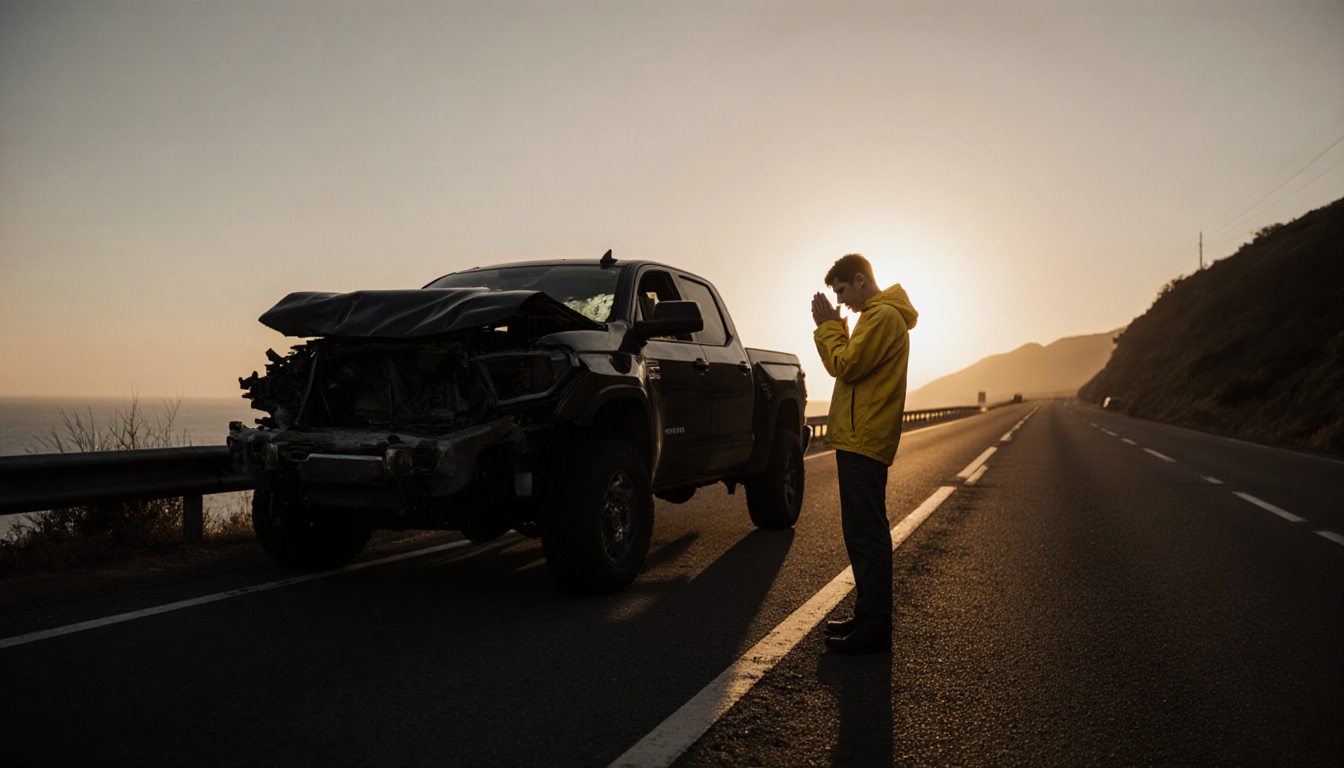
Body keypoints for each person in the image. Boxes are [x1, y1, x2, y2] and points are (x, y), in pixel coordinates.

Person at [811, 253, 918, 654]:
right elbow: (848, 367)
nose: (842, 301)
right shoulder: (874, 317)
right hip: (859, 438)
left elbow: (846, 365)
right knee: (861, 534)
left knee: (867, 535)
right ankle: (867, 616)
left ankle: (874, 628)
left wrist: (827, 329)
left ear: (859, 279)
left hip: (863, 440)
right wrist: (836, 328)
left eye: (842, 291)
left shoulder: (881, 317)